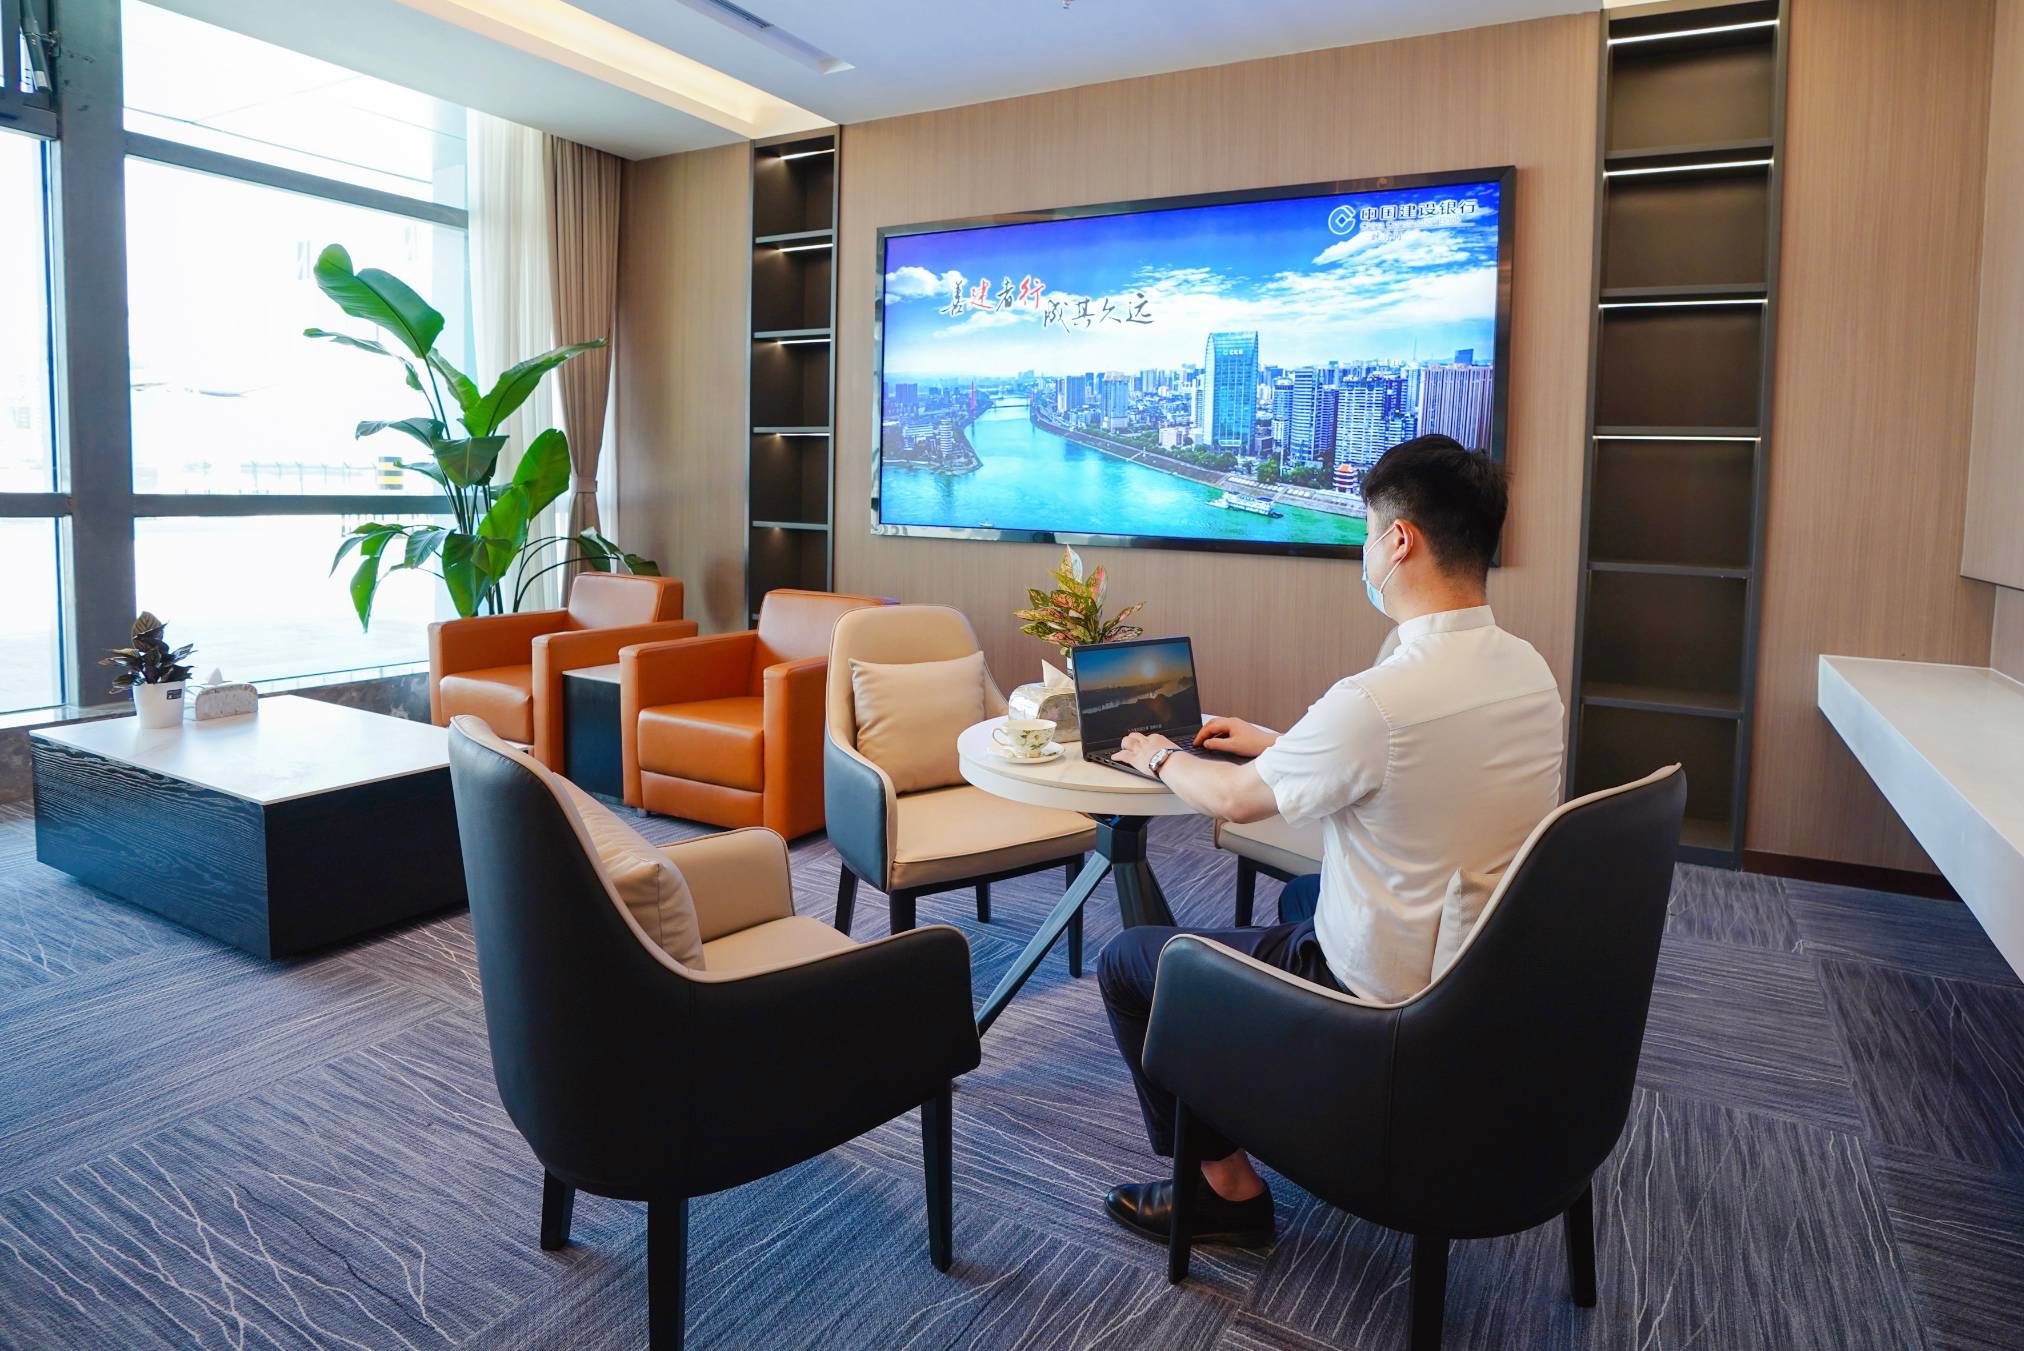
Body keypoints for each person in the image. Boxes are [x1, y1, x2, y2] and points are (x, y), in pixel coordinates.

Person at [1096, 433, 1565, 1247]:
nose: (1364, 552)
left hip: (1385, 1000)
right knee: (1302, 893)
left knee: (1132, 960)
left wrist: (1156, 752)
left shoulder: (1380, 698)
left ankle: (1225, 1192)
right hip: (1488, 968)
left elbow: (1233, 801)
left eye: (1367, 533)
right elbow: (1419, 766)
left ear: (1400, 540)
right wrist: (1278, 740)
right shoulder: (1528, 671)